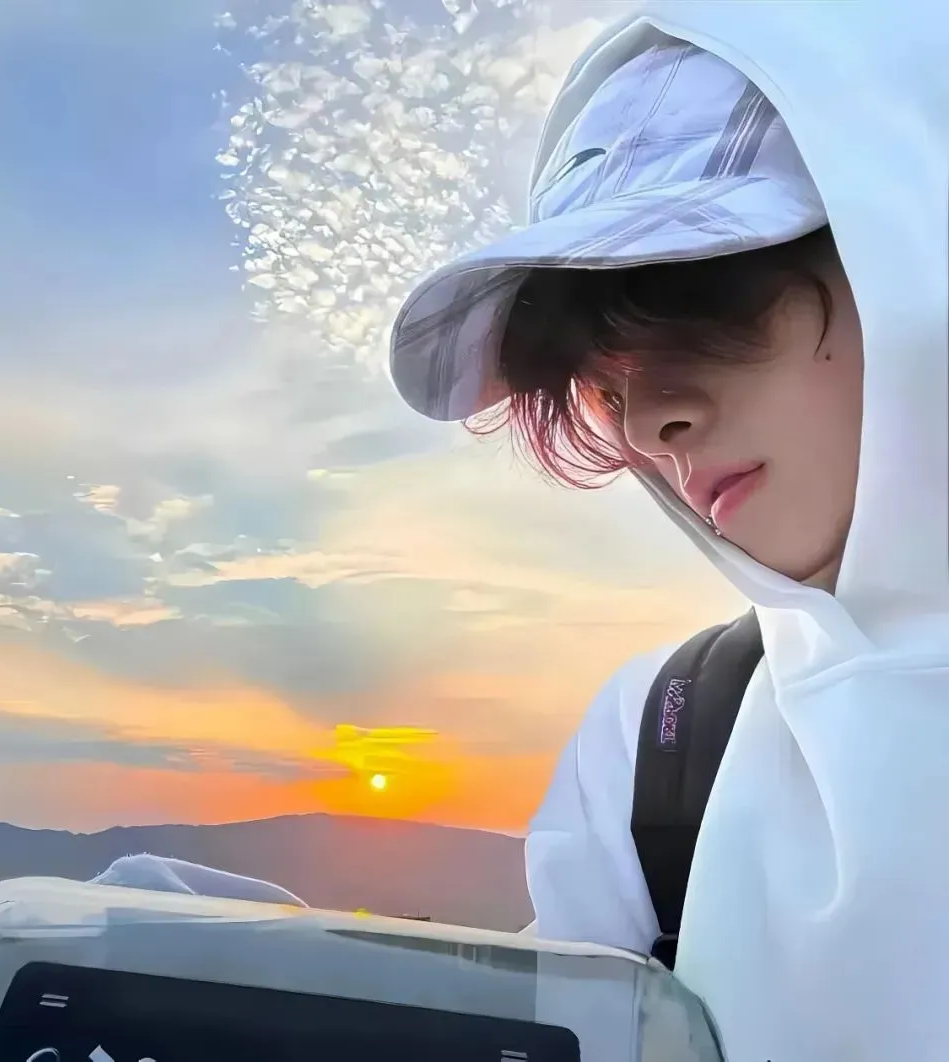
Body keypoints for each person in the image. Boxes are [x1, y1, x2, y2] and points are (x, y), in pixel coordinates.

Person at [388, 3, 947, 1061]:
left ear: (913, 245)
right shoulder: (662, 741)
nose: (651, 424)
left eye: (701, 301)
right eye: (602, 385)